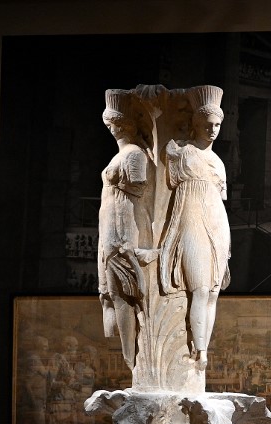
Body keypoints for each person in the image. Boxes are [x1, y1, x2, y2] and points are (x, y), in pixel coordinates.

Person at [158, 85, 231, 370]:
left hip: (217, 221)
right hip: (190, 218)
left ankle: (203, 351)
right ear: (195, 124)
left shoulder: (218, 162)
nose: (212, 130)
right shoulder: (179, 151)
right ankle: (197, 349)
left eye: (217, 125)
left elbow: (220, 201)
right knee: (199, 287)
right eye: (207, 125)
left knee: (213, 291)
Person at [98, 88, 154, 369]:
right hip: (110, 223)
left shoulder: (133, 154)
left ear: (127, 124)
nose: (113, 128)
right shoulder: (123, 153)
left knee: (123, 292)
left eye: (117, 123)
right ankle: (129, 357)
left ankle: (131, 359)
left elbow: (140, 186)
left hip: (123, 222)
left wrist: (118, 185)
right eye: (110, 123)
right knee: (114, 292)